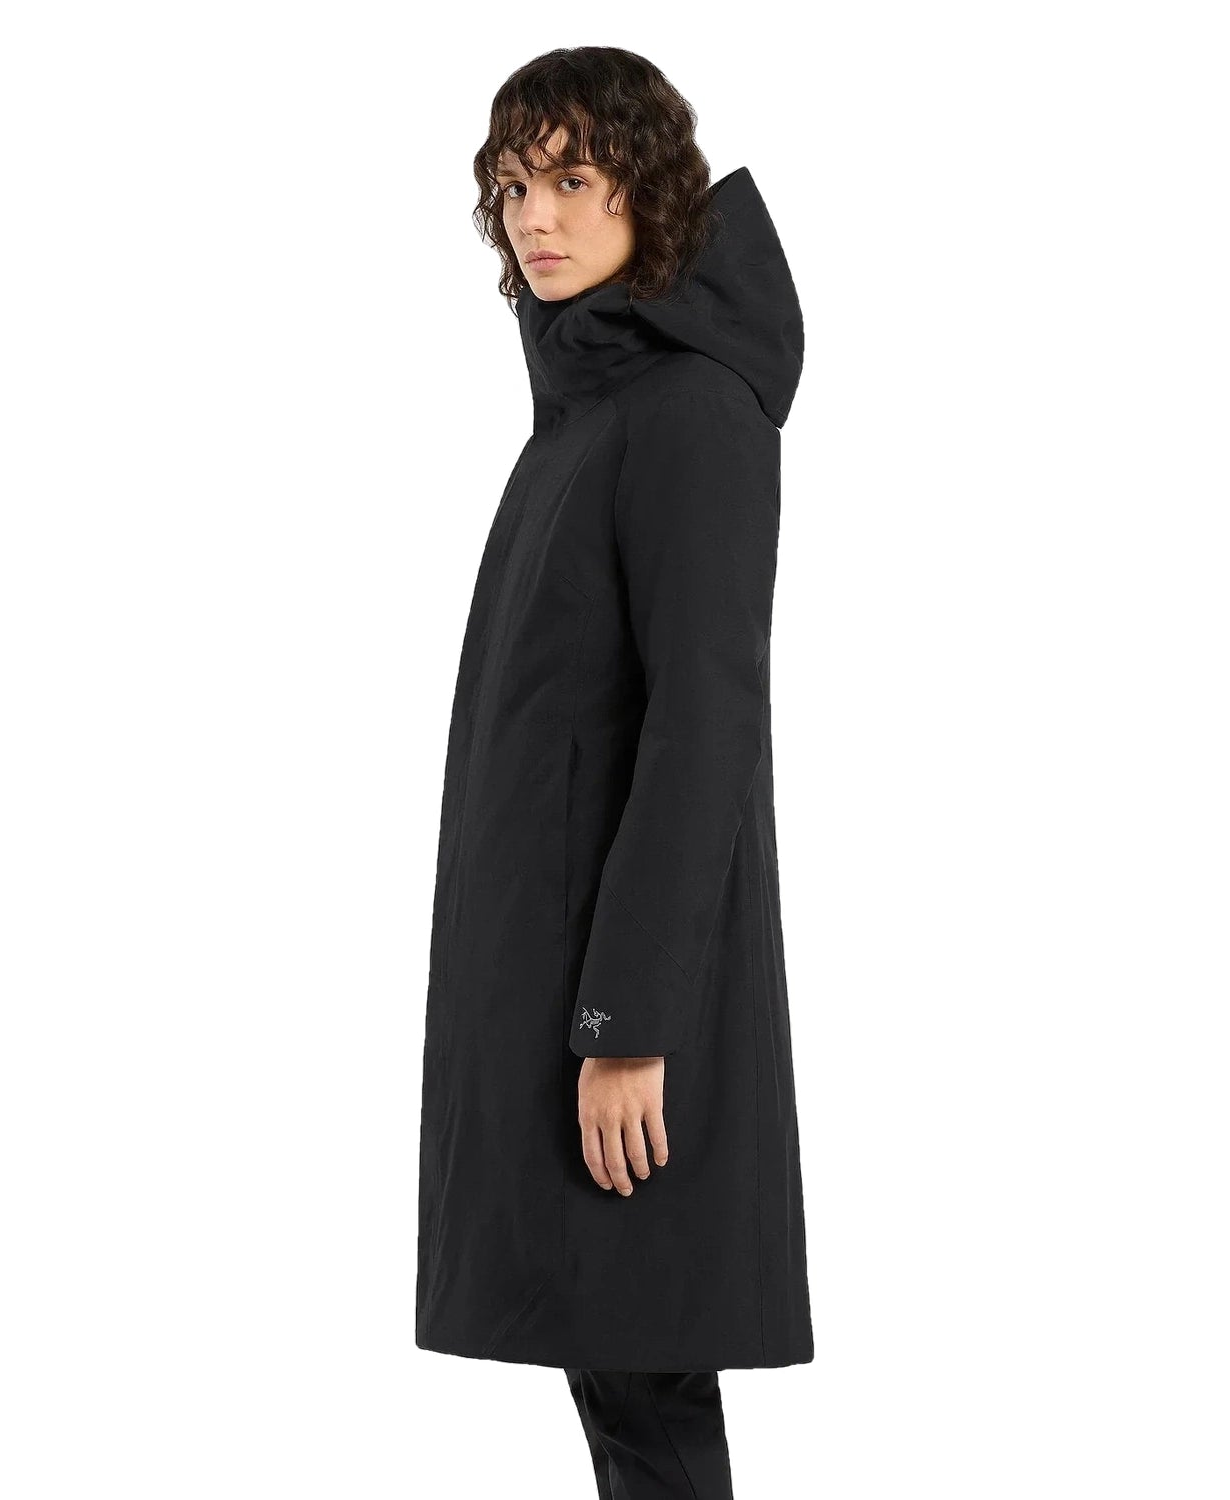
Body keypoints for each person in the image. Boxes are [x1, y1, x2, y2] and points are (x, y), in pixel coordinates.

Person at [415, 46, 813, 1498]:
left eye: (575, 179)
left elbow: (704, 725)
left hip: (626, 1001)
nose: (537, 216)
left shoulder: (691, 414)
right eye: (514, 185)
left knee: (647, 1373)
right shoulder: (585, 417)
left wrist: (627, 1026)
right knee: (616, 1362)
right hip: (559, 976)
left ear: (649, 189)